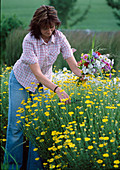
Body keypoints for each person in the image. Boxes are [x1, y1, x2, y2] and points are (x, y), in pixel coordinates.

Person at [4, 5, 83, 170]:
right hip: (21, 81)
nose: (49, 31)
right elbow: (37, 73)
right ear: (37, 25)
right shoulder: (29, 40)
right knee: (16, 126)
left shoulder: (60, 38)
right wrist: (58, 90)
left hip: (43, 84)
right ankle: (13, 166)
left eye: (52, 27)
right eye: (45, 27)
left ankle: (34, 168)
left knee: (38, 127)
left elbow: (73, 65)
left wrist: (84, 74)